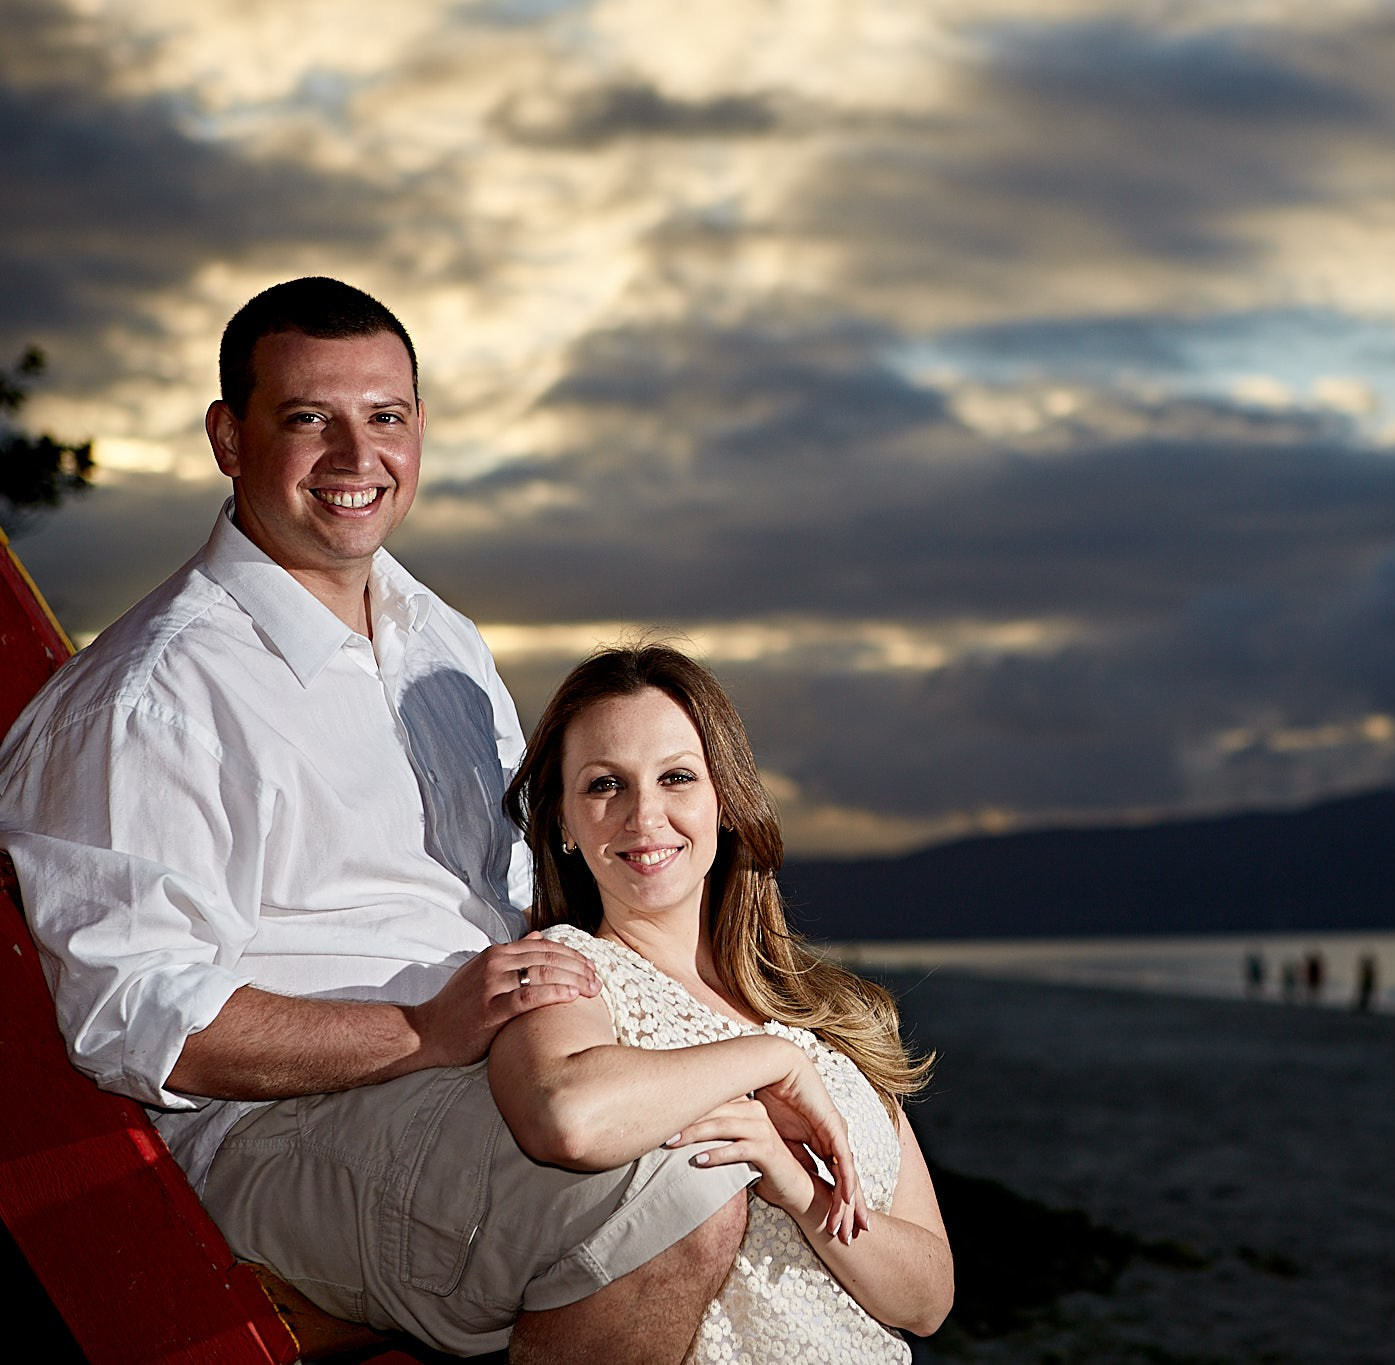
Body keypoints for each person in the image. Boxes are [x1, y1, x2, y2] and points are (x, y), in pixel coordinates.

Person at [0, 278, 754, 1357]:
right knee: (666, 1192)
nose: (358, 459)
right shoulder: (153, 698)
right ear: (229, 436)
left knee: (791, 1155)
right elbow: (139, 1017)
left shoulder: (438, 638)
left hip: (497, 1074)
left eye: (385, 418)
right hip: (279, 1137)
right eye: (310, 419)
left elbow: (509, 899)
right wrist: (418, 1032)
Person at [493, 644, 952, 1359]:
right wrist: (767, 1060)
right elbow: (568, 1116)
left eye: (677, 776)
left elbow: (928, 1300)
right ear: (561, 823)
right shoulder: (570, 966)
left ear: (726, 802)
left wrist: (797, 1186)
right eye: (605, 784)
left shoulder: (824, 1010)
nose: (645, 815)